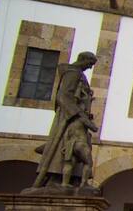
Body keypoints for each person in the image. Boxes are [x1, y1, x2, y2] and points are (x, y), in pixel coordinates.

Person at [30, 51, 99, 192]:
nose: (90, 67)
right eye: (90, 64)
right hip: (70, 120)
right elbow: (63, 96)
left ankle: (68, 181)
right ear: (83, 59)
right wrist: (80, 114)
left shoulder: (76, 74)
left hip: (74, 118)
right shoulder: (73, 73)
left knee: (71, 156)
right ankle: (57, 180)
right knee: (66, 153)